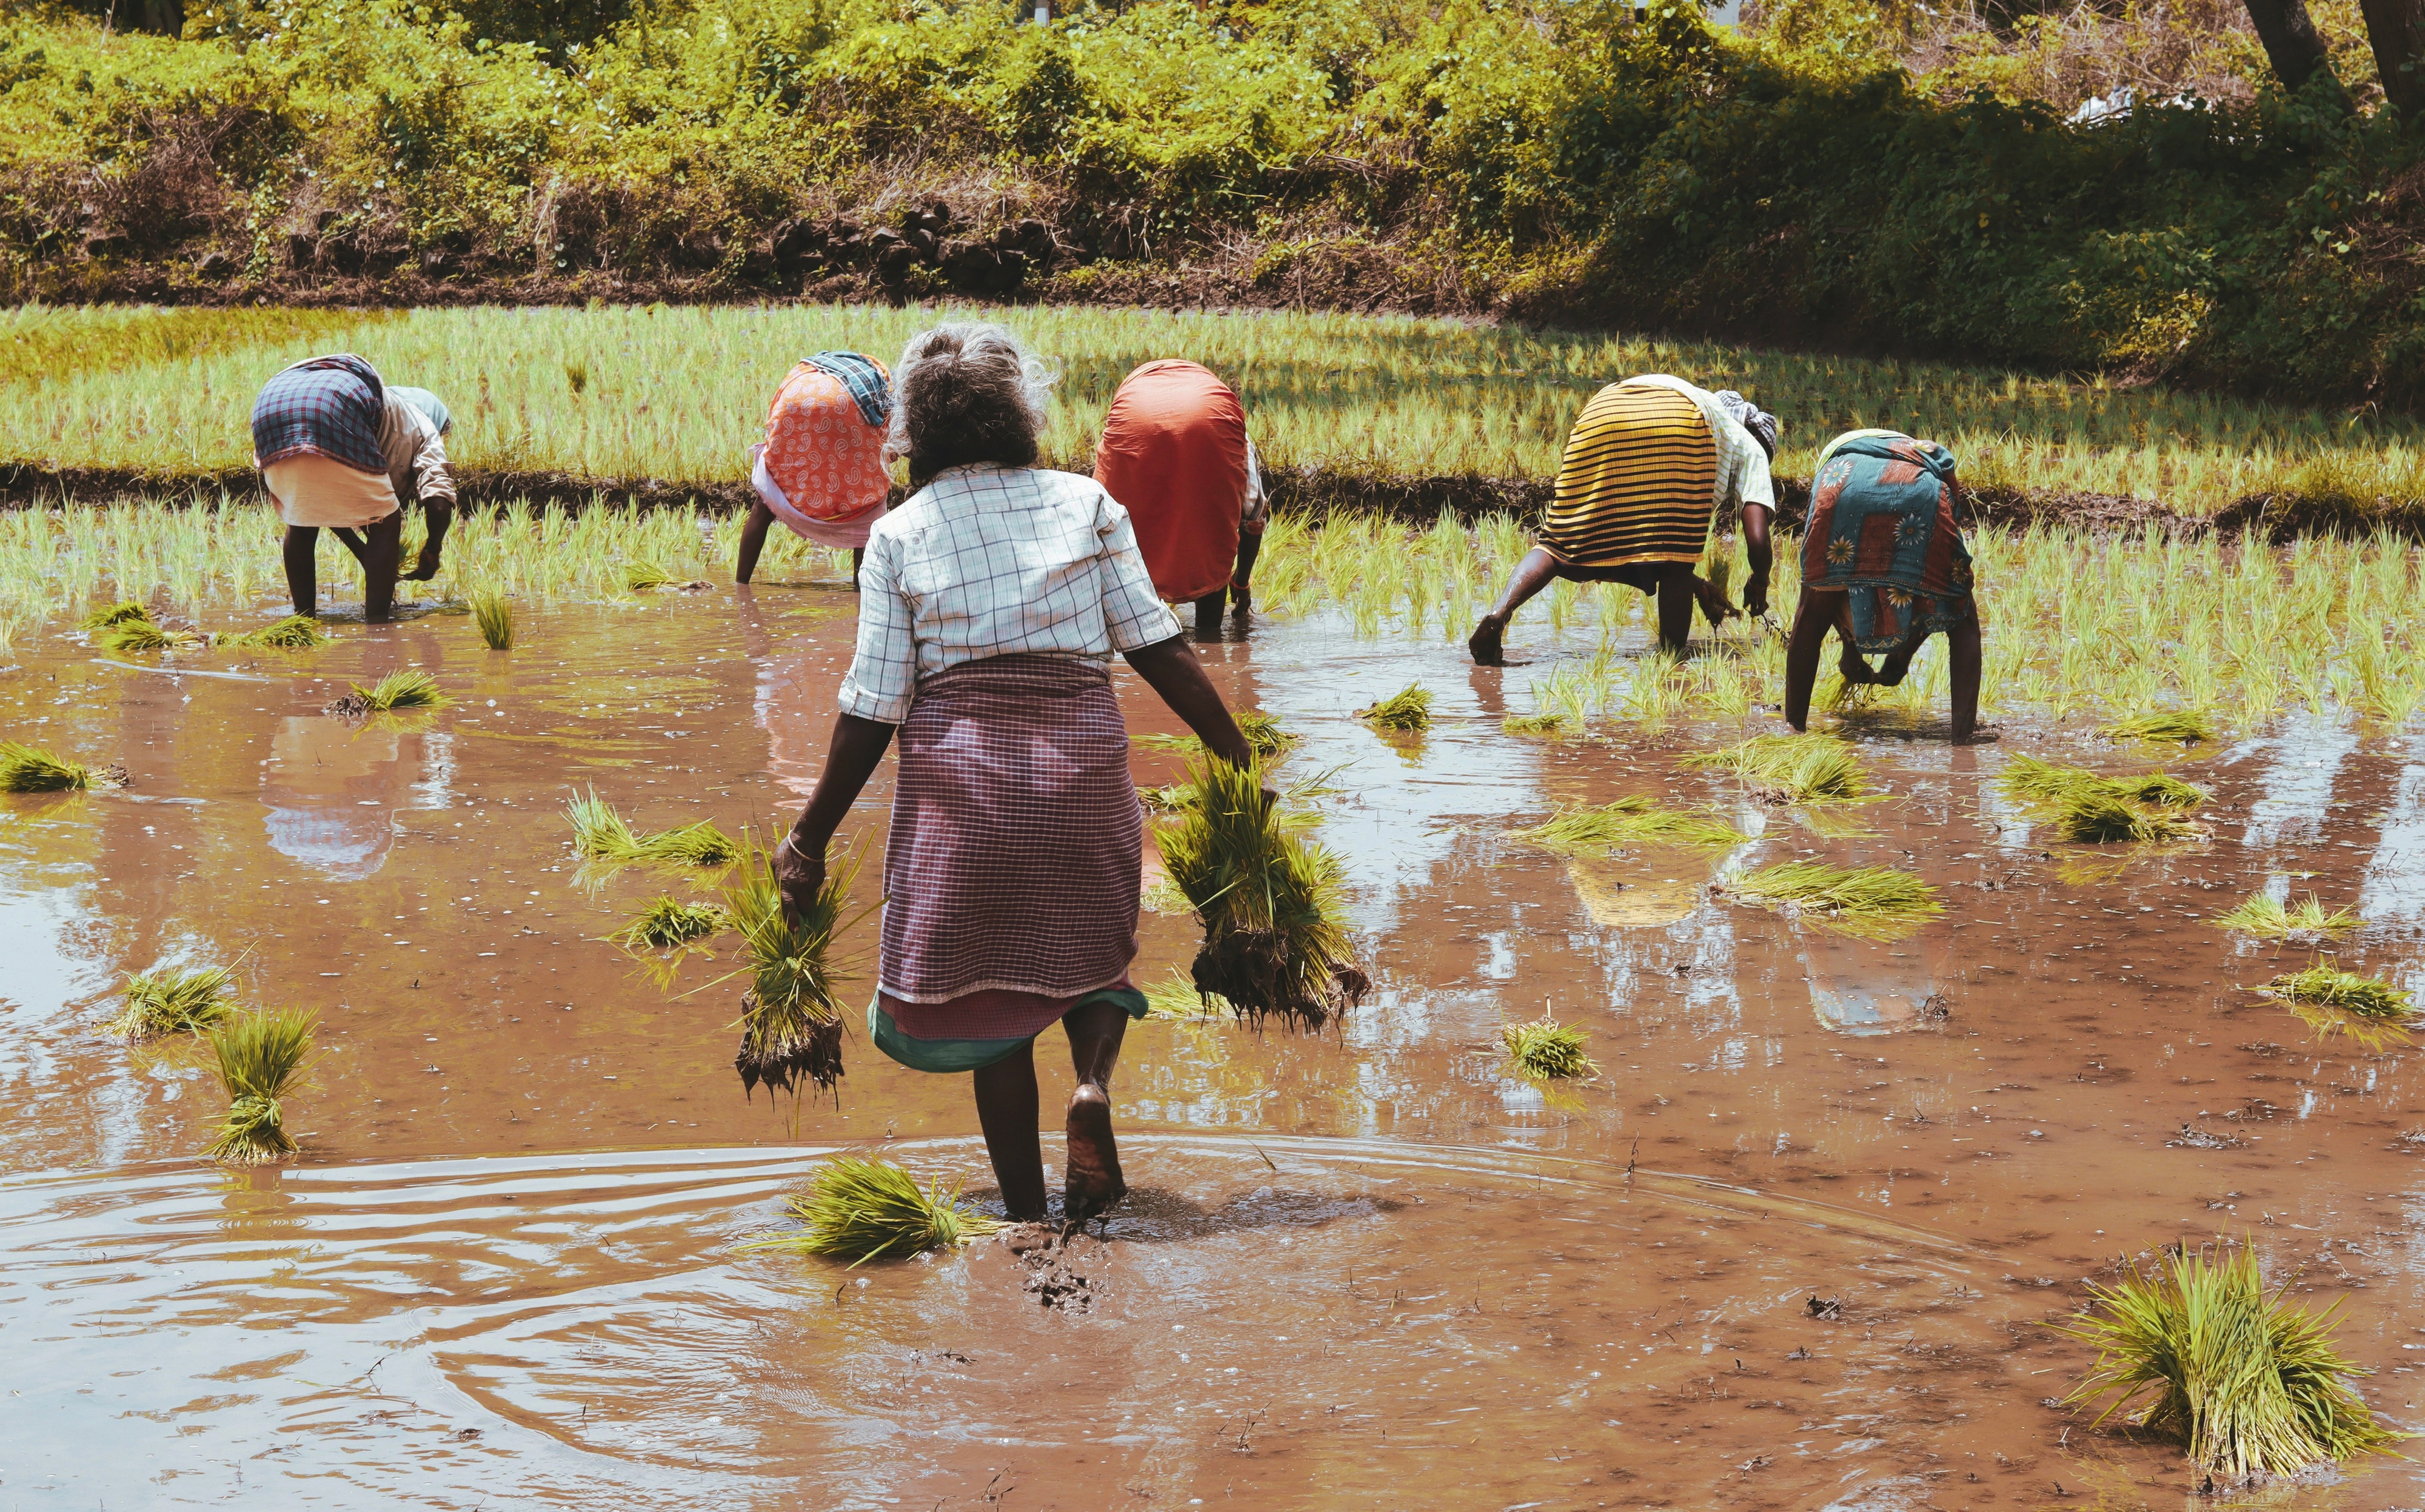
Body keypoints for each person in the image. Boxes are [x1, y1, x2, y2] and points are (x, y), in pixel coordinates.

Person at [768, 322, 1254, 1223]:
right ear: (1019, 415)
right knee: (1095, 957)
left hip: (968, 791)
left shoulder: (899, 534)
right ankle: (1093, 1086)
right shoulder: (1086, 504)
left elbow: (872, 704)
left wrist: (808, 837)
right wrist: (1239, 759)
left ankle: (1031, 1220)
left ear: (917, 429)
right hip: (1082, 770)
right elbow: (1159, 644)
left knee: (996, 1003)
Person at [1468, 375, 1779, 663]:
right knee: (1677, 558)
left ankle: (1500, 611)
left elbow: (1634, 544)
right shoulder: (1750, 446)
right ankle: (1672, 661)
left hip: (1603, 408)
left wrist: (1697, 586)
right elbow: (1758, 539)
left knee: (1560, 540)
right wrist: (1760, 581)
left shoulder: (1703, 405)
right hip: (1681, 419)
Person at [1784, 428, 1982, 742]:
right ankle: (1962, 740)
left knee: (1813, 612)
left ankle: (1793, 728)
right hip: (1921, 492)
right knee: (1961, 614)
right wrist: (1894, 659)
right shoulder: (1917, 451)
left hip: (1840, 488)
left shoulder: (1837, 456)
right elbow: (1950, 494)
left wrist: (1865, 655)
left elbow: (1853, 581)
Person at [250, 355, 453, 621]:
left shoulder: (380, 418)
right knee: (387, 521)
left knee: (302, 518)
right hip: (336, 399)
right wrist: (433, 549)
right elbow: (439, 500)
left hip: (271, 402)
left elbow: (324, 501)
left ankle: (302, 621)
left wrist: (362, 549)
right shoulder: (425, 428)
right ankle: (378, 628)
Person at [1092, 359, 1269, 636]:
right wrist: (1242, 584)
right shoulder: (1229, 433)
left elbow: (1101, 507)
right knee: (1212, 544)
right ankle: (1210, 649)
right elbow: (1254, 515)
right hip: (1197, 424)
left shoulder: (1125, 428)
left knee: (1135, 637)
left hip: (1133, 417)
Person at [736, 351, 896, 586]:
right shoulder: (887, 387)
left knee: (766, 504)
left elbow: (775, 415)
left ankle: (741, 585)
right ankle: (861, 596)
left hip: (796, 397)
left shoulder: (809, 368)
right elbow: (889, 445)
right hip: (848, 409)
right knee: (867, 508)